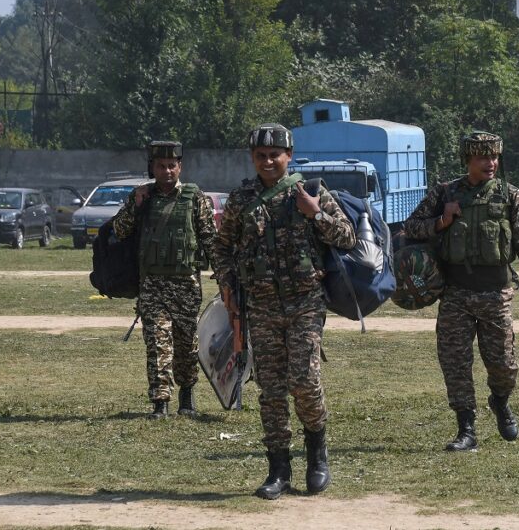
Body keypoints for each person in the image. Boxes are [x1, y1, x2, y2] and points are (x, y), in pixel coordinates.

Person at [212, 123, 355, 500]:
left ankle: (317, 454)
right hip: (260, 306)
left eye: (275, 155)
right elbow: (221, 248)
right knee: (271, 391)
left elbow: (347, 236)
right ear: (253, 159)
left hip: (305, 302)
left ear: (289, 156)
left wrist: (315, 215)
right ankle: (278, 468)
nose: (269, 161)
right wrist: (228, 287)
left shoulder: (310, 192)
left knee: (304, 381)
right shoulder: (241, 200)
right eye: (261, 156)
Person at [402, 131, 519, 452]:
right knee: (455, 363)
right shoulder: (445, 193)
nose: (490, 163)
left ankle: (500, 401)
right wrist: (441, 221)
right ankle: (466, 429)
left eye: (494, 157)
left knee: (503, 364)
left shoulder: (509, 195)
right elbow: (411, 227)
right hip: (455, 294)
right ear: (468, 160)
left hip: (495, 293)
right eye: (482, 157)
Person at [113, 140, 216, 419]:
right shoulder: (143, 198)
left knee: (186, 344)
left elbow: (209, 239)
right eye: (161, 166)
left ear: (180, 167)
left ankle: (187, 397)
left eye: (172, 165)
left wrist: (225, 275)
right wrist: (134, 205)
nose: (167, 171)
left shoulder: (196, 198)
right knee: (158, 343)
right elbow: (120, 231)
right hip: (153, 285)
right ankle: (160, 403)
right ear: (152, 168)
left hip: (186, 285)